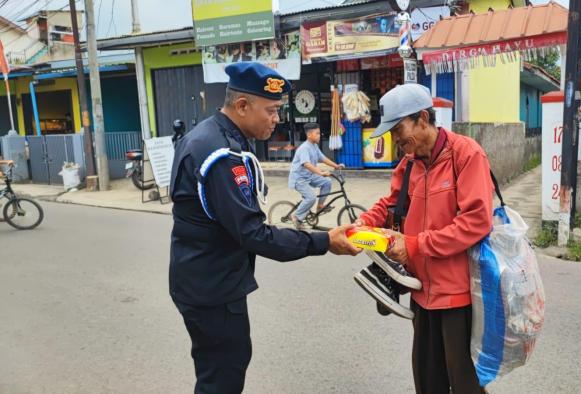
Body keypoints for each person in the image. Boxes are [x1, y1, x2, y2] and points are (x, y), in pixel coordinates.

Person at [169, 62, 361, 394]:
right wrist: (324, 241)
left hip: (203, 279)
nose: (276, 119)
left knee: (220, 368)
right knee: (222, 377)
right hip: (213, 288)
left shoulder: (213, 136)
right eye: (271, 111)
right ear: (242, 106)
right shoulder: (219, 154)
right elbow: (254, 233)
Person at [354, 84, 494, 394]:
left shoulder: (466, 154)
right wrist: (364, 223)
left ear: (422, 118)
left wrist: (415, 245)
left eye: (398, 129)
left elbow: (476, 221)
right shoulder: (409, 164)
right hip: (421, 292)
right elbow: (391, 205)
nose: (395, 139)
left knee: (465, 384)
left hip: (459, 296)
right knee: (428, 381)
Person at [287, 123, 344, 229]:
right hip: (299, 179)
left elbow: (323, 158)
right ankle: (296, 216)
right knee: (311, 197)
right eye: (317, 133)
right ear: (309, 135)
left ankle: (320, 206)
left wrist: (336, 166)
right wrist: (320, 172)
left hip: (309, 176)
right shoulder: (304, 148)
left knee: (327, 182)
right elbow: (306, 164)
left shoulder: (314, 146)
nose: (319, 135)